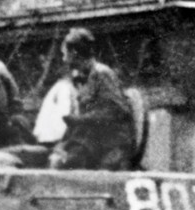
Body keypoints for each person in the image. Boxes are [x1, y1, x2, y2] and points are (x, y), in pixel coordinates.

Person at [47, 28, 136, 170]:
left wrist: (79, 120)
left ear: (74, 53)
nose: (63, 59)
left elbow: (116, 111)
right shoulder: (86, 77)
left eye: (64, 54)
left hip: (112, 148)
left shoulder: (102, 74)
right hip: (94, 143)